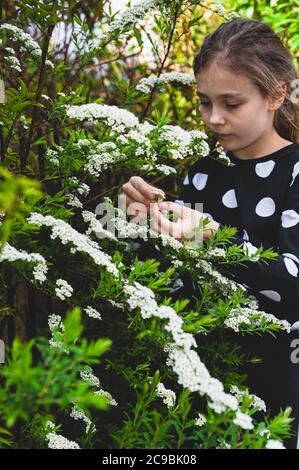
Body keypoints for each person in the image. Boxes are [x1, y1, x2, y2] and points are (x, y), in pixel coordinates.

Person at [121, 18, 299, 448]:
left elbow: (293, 279)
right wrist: (143, 225)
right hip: (199, 378)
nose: (214, 118)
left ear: (276, 94)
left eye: (231, 103)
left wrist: (215, 237)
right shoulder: (203, 174)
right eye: (204, 102)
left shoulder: (295, 173)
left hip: (279, 387)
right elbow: (172, 282)